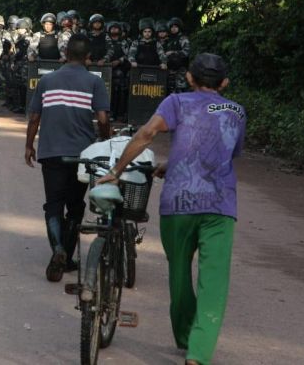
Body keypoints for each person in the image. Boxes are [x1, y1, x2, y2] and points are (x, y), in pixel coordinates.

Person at [96, 53, 245, 365]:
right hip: (220, 206)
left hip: (178, 203)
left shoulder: (176, 102)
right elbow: (225, 152)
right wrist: (171, 163)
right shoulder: (237, 111)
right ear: (225, 83)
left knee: (179, 274)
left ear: (189, 78)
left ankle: (185, 335)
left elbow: (147, 133)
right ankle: (197, 353)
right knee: (214, 281)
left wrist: (117, 171)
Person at [25, 35, 111, 282]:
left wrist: (29, 146)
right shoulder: (94, 82)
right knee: (75, 206)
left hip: (51, 152)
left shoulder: (47, 80)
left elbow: (34, 117)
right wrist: (105, 143)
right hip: (82, 155)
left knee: (53, 204)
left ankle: (58, 250)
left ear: (64, 54)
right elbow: (103, 119)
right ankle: (68, 257)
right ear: (88, 58)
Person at [159, 17, 191, 94]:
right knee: (170, 90)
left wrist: (173, 52)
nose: (173, 29)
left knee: (181, 91)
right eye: (172, 27)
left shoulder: (183, 38)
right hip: (170, 70)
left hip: (180, 71)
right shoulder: (169, 40)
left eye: (175, 27)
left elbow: (186, 52)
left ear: (179, 28)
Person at [8, 17, 32, 113]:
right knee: (17, 85)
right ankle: (19, 105)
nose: (20, 30)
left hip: (25, 64)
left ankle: (24, 106)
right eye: (18, 28)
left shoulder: (28, 38)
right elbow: (15, 52)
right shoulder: (18, 38)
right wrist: (13, 61)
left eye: (22, 28)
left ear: (26, 29)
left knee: (24, 85)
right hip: (18, 63)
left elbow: (24, 52)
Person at [106, 21, 129, 121]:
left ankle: (117, 114)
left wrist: (119, 61)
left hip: (119, 70)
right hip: (105, 68)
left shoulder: (124, 42)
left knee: (118, 92)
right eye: (112, 28)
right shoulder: (106, 40)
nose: (114, 30)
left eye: (116, 28)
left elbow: (128, 55)